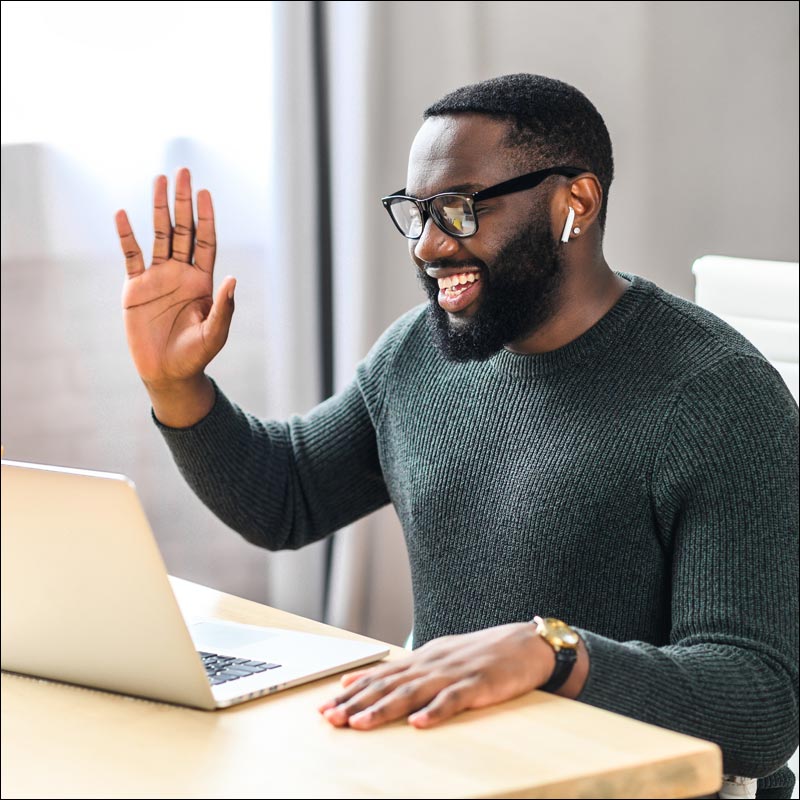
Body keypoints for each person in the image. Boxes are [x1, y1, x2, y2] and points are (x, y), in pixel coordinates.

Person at [116, 74, 798, 797]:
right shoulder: (418, 354)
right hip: (456, 768)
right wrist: (176, 385)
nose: (428, 245)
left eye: (460, 210)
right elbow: (284, 498)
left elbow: (760, 703)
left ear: (577, 202)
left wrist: (552, 653)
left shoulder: (717, 394)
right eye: (415, 212)